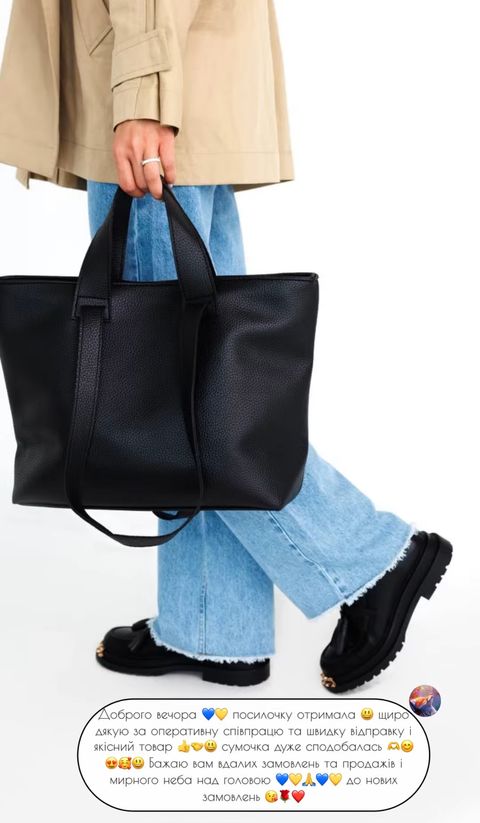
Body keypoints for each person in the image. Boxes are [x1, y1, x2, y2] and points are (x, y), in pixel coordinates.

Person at [0, 0, 452, 691]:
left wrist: (144, 94)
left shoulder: (146, 93)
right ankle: (214, 626)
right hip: (166, 76)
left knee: (170, 385)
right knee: (192, 376)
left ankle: (371, 560)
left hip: (149, 82)